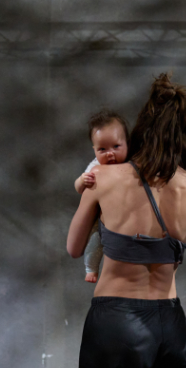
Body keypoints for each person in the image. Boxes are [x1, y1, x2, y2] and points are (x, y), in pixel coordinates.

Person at [67, 73, 186, 368]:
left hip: (117, 321)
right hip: (171, 325)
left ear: (142, 128)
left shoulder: (102, 177)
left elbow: (75, 248)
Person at [73, 109, 130, 283]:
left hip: (126, 214)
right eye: (102, 149)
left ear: (127, 144)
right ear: (94, 150)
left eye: (116, 147)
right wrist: (82, 181)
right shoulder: (95, 166)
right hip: (101, 216)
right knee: (95, 241)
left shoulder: (132, 163)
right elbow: (78, 188)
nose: (109, 153)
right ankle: (91, 267)